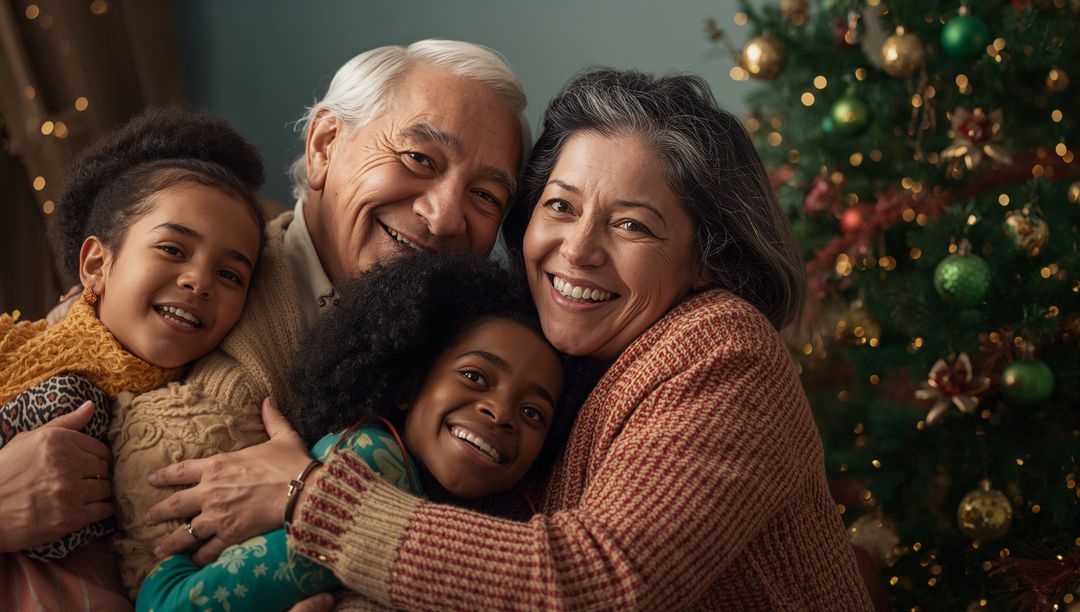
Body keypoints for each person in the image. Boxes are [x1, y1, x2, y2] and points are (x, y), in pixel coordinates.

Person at [147, 69, 874, 609]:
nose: (577, 249)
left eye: (631, 224)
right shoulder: (540, 350)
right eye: (560, 206)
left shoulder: (721, 349)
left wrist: (310, 495)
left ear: (705, 257)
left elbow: (599, 583)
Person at [88, 39, 529, 596]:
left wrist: (311, 492)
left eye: (485, 196)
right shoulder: (181, 297)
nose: (443, 217)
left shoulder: (485, 353)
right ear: (325, 145)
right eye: (419, 159)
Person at [136, 253, 570, 612]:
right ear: (410, 384)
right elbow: (168, 605)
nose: (501, 412)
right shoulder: (373, 460)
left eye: (533, 412)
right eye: (475, 376)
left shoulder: (493, 514)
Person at [0, 108, 266, 609]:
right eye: (172, 248)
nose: (199, 281)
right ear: (97, 264)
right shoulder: (19, 362)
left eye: (231, 275)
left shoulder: (218, 417)